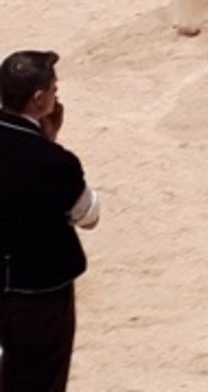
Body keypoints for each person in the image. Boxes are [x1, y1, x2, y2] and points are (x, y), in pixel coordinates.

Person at [1, 49, 101, 391]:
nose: (57, 95)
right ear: (39, 98)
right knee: (39, 379)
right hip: (38, 294)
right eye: (54, 89)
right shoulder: (55, 162)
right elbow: (88, 215)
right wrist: (50, 145)